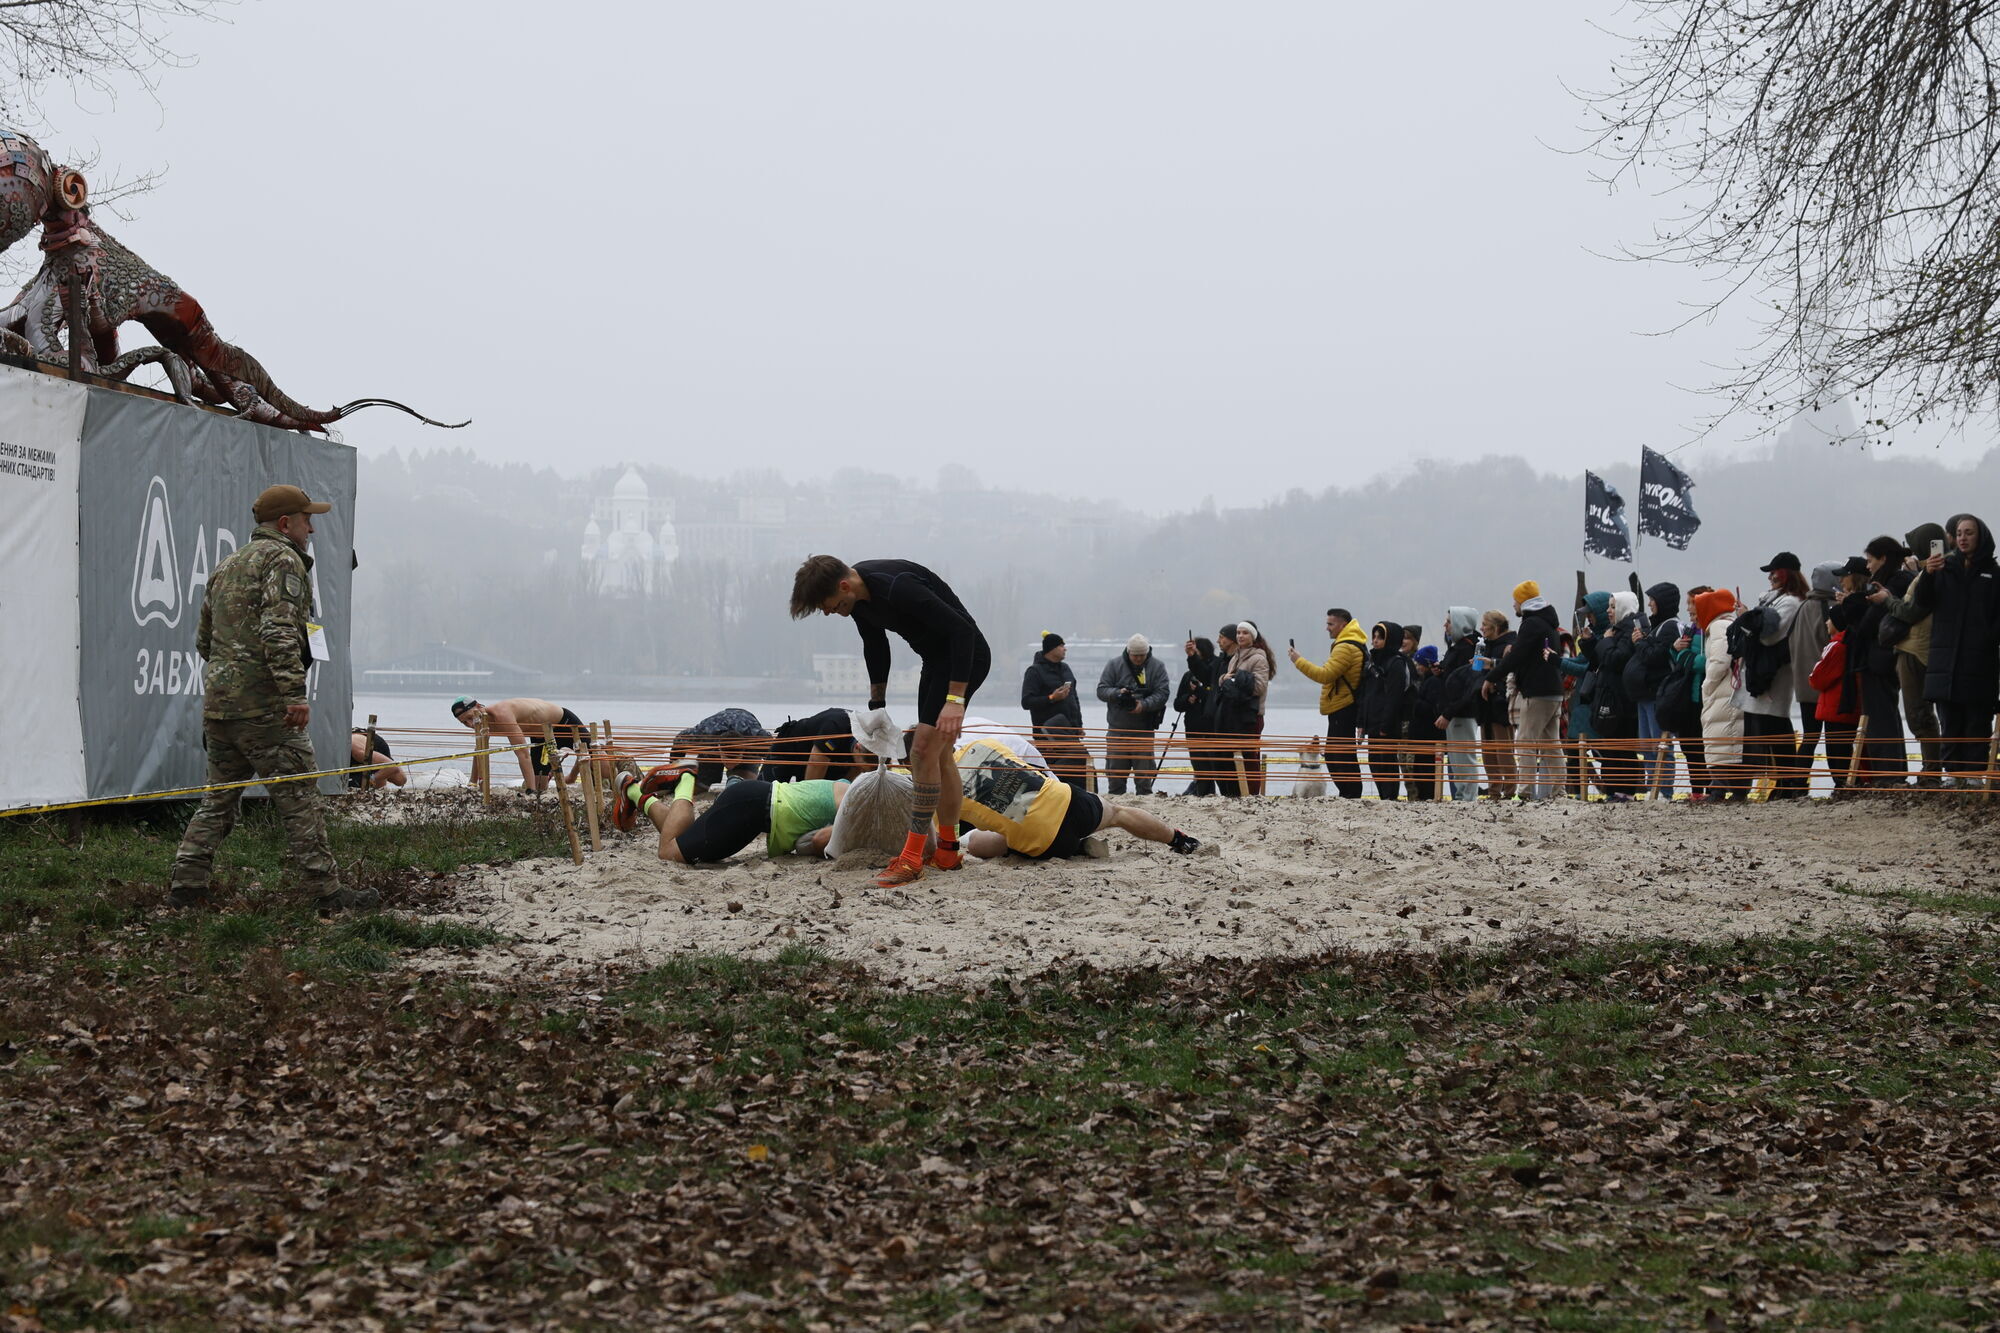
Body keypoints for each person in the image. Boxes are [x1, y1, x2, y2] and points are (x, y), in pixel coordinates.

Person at [169, 484, 367, 913]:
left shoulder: (227, 564)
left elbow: (204, 642)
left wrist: (233, 676)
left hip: (221, 709)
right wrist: (294, 694)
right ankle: (327, 893)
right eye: (307, 520)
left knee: (217, 801)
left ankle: (186, 886)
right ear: (285, 523)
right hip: (267, 711)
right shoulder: (284, 561)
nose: (312, 529)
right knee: (300, 800)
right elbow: (279, 632)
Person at [791, 555, 991, 885]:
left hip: (964, 658)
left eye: (828, 605)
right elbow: (875, 645)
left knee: (921, 752)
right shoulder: (858, 601)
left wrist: (955, 700)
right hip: (935, 660)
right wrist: (877, 706)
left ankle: (911, 859)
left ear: (844, 586)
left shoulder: (899, 587)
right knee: (938, 755)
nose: (828, 612)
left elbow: (962, 631)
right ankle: (947, 850)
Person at [952, 736, 1205, 860]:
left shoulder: (944, 790)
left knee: (977, 841)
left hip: (1044, 842)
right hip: (1068, 802)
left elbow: (944, 837)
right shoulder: (986, 743)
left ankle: (1080, 848)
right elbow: (1031, 768)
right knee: (1118, 813)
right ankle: (1179, 839)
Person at [616, 765, 850, 862]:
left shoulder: (851, 786)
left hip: (754, 798)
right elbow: (817, 841)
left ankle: (634, 793)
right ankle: (685, 779)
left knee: (682, 837)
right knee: (668, 853)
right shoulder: (855, 809)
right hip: (751, 810)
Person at [1875, 523, 1947, 785]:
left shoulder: (1932, 573)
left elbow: (1910, 611)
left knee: (1918, 713)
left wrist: (1887, 599)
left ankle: (1931, 770)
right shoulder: (1932, 572)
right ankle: (1933, 768)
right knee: (1926, 714)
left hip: (1914, 649)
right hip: (1923, 647)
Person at [1834, 541, 1910, 788]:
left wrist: (1852, 605)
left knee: (1880, 719)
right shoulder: (1891, 582)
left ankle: (1888, 775)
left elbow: (1868, 624)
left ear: (1883, 558)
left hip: (1879, 659)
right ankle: (1890, 773)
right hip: (1879, 658)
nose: (1868, 566)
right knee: (1884, 716)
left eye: (1870, 560)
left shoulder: (1892, 584)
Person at [1732, 554, 1807, 793]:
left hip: (1774, 673)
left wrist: (1746, 618)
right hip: (1763, 673)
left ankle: (1788, 783)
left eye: (1774, 572)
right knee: (1768, 730)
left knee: (1776, 729)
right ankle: (1783, 783)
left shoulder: (1791, 603)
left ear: (1786, 574)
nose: (1770, 577)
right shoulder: (1774, 600)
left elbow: (1769, 636)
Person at [1487, 581, 1564, 800]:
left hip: (1537, 692)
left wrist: (1492, 676)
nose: (1513, 605)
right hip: (1553, 690)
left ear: (1523, 602)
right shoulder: (1548, 623)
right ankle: (1559, 791)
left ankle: (1525, 791)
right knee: (1551, 744)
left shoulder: (1531, 624)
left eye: (1515, 601)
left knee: (1525, 742)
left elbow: (1517, 657)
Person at [1289, 609, 1367, 799]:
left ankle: (1350, 795)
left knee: (1339, 756)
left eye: (1330, 624)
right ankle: (1349, 794)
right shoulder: (1353, 642)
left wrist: (1298, 661)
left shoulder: (1345, 647)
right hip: (1344, 704)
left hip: (1343, 705)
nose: (1327, 628)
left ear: (1343, 625)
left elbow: (1325, 675)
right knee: (1337, 755)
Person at [452, 696, 594, 794]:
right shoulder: (480, 722)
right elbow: (480, 751)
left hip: (562, 722)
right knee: (540, 787)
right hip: (542, 736)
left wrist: (530, 791)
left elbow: (522, 753)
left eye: (470, 718)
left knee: (599, 767)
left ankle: (571, 777)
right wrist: (472, 783)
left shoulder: (502, 714)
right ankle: (552, 774)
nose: (470, 724)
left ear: (479, 706)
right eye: (464, 723)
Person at [1785, 560, 1843, 795]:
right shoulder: (1828, 607)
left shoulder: (1802, 607)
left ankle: (1798, 784)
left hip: (1803, 683)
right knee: (1834, 737)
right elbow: (1832, 642)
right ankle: (1840, 782)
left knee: (1809, 737)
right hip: (1825, 684)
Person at [1626, 582, 1683, 800]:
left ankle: (1664, 791)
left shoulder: (1670, 627)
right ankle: (1653, 788)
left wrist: (1640, 642)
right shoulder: (1657, 626)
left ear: (1663, 602)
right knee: (1647, 745)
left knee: (1660, 745)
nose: (1649, 604)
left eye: (1652, 600)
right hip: (1644, 694)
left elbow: (1655, 657)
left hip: (1657, 694)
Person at [1687, 589, 1744, 800]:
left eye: (1697, 611)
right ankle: (1733, 789)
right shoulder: (1725, 624)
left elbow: (1720, 660)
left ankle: (1719, 788)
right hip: (1727, 691)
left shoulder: (1719, 626)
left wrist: (1708, 684)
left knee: (1720, 739)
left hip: (1722, 692)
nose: (1693, 617)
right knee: (1727, 741)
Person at [1096, 634, 1170, 795]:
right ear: (1128, 652)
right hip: (1117, 730)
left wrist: (1143, 705)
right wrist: (1118, 693)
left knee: (1144, 780)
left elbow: (1163, 693)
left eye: (1142, 655)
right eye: (1135, 655)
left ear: (1147, 652)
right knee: (1115, 779)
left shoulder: (1157, 667)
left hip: (1143, 731)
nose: (1138, 658)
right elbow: (1101, 690)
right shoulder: (1114, 665)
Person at [1589, 591, 1645, 799]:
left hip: (1621, 699)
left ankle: (1624, 791)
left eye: (1613, 606)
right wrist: (1590, 643)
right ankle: (1613, 790)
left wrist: (1605, 641)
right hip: (1611, 695)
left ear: (1622, 607)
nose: (1608, 611)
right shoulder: (1617, 630)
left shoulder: (1629, 629)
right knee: (1611, 747)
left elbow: (1616, 659)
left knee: (1622, 747)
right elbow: (1600, 660)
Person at [1021, 632, 1089, 790]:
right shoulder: (1034, 671)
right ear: (1051, 649)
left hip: (1069, 730)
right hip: (1047, 734)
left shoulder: (1065, 668)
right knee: (1059, 767)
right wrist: (1051, 698)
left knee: (1078, 765)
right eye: (1061, 646)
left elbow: (1074, 698)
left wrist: (1078, 725)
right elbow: (1026, 702)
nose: (1065, 649)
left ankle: (1077, 795)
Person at [1560, 592, 1612, 797]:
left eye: (1590, 614)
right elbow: (1580, 661)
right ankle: (1577, 793)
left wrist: (1557, 662)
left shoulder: (1606, 637)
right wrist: (1557, 660)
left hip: (1596, 702)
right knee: (1574, 750)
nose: (1588, 618)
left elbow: (1586, 667)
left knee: (1603, 751)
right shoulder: (1592, 636)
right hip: (1582, 702)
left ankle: (1611, 790)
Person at [1435, 607, 1485, 801]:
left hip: (1462, 712)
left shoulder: (1469, 649)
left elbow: (1468, 687)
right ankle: (1462, 795)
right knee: (1456, 758)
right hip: (1454, 711)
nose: (1445, 625)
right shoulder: (1457, 647)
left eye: (1449, 621)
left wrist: (1448, 713)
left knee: (1464, 757)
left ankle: (1468, 797)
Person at [1358, 621, 1411, 800]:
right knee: (1374, 762)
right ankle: (1383, 796)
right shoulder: (1372, 662)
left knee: (1386, 762)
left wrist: (1385, 726)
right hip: (1371, 720)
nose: (1375, 641)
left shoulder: (1396, 663)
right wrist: (1361, 723)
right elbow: (1365, 693)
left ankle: (1390, 798)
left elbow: (1394, 698)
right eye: (1374, 637)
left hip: (1386, 723)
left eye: (1380, 638)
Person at [1176, 632, 1229, 796]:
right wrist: (1188, 699)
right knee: (1200, 769)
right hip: (1193, 727)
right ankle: (1203, 795)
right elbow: (1177, 704)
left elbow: (1216, 696)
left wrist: (1200, 691)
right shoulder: (1188, 675)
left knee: (1217, 768)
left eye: (1196, 651)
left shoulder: (1217, 669)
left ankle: (1223, 795)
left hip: (1212, 728)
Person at [759, 707, 860, 784]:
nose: (862, 771)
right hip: (790, 748)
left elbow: (846, 783)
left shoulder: (865, 742)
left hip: (830, 759)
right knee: (767, 791)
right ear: (858, 747)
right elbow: (815, 764)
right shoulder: (836, 728)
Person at [1476, 611, 1517, 799]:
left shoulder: (1510, 645)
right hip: (1485, 705)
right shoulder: (1486, 646)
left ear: (1496, 627)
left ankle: (1509, 791)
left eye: (1485, 624)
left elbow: (1512, 667)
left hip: (1501, 706)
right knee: (1488, 752)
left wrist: (1492, 665)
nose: (1482, 628)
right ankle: (1494, 791)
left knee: (1504, 750)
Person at [1407, 644, 1444, 800]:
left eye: (1419, 664)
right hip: (1422, 736)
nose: (1417, 667)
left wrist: (1415, 703)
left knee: (1425, 770)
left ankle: (1427, 796)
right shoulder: (1426, 681)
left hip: (1428, 735)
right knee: (1420, 770)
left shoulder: (1433, 682)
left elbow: (1432, 708)